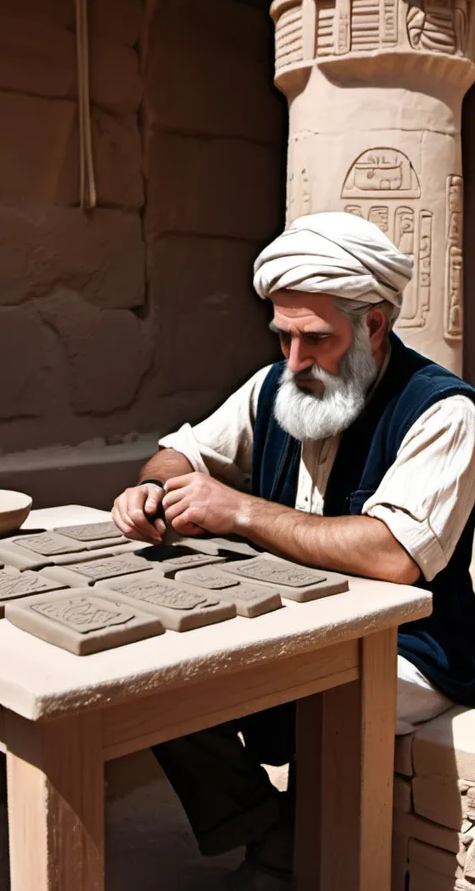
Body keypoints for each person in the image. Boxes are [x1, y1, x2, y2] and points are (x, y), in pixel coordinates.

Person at [113, 212, 475, 891]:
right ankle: (271, 834)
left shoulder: (443, 412)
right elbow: (177, 454)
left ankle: (297, 850)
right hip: (291, 623)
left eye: (316, 339)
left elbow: (392, 553)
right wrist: (152, 493)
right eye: (283, 336)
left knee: (277, 694)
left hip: (409, 649)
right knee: (148, 682)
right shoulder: (274, 385)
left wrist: (241, 510)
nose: (296, 361)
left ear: (373, 326)